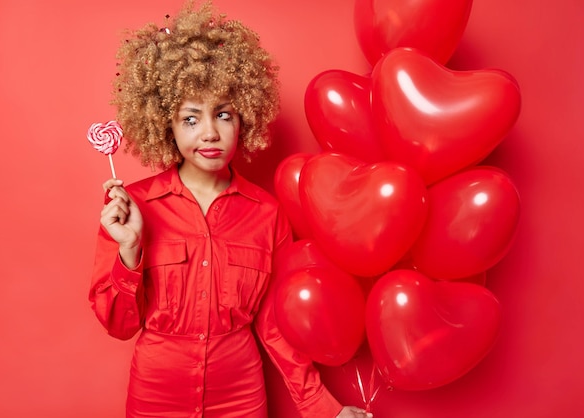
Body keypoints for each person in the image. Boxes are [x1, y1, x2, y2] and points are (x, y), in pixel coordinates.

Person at [89, 2, 373, 417]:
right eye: (190, 119)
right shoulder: (131, 207)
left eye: (223, 114)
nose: (209, 132)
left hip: (241, 396)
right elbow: (118, 325)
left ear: (244, 118)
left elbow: (277, 327)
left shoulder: (268, 213)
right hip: (155, 395)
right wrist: (129, 251)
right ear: (166, 124)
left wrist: (323, 409)